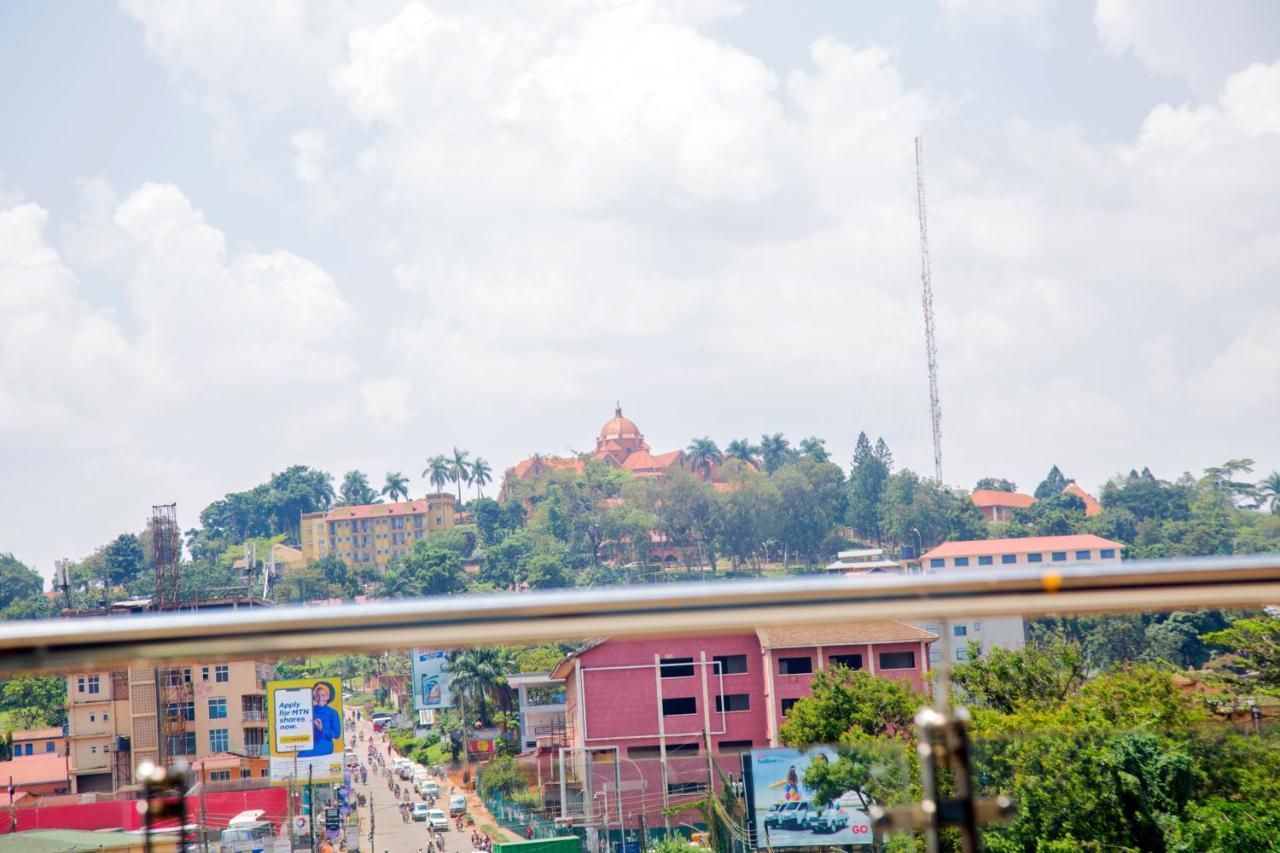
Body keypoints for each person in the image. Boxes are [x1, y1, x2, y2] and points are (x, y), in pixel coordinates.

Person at [298, 681, 343, 758]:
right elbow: (299, 724)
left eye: (323, 695)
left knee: (302, 756)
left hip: (325, 745)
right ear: (314, 697)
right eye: (317, 695)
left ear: (328, 696)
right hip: (309, 744)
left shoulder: (333, 713)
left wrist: (322, 729)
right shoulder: (309, 710)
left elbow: (337, 735)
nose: (320, 698)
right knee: (300, 756)